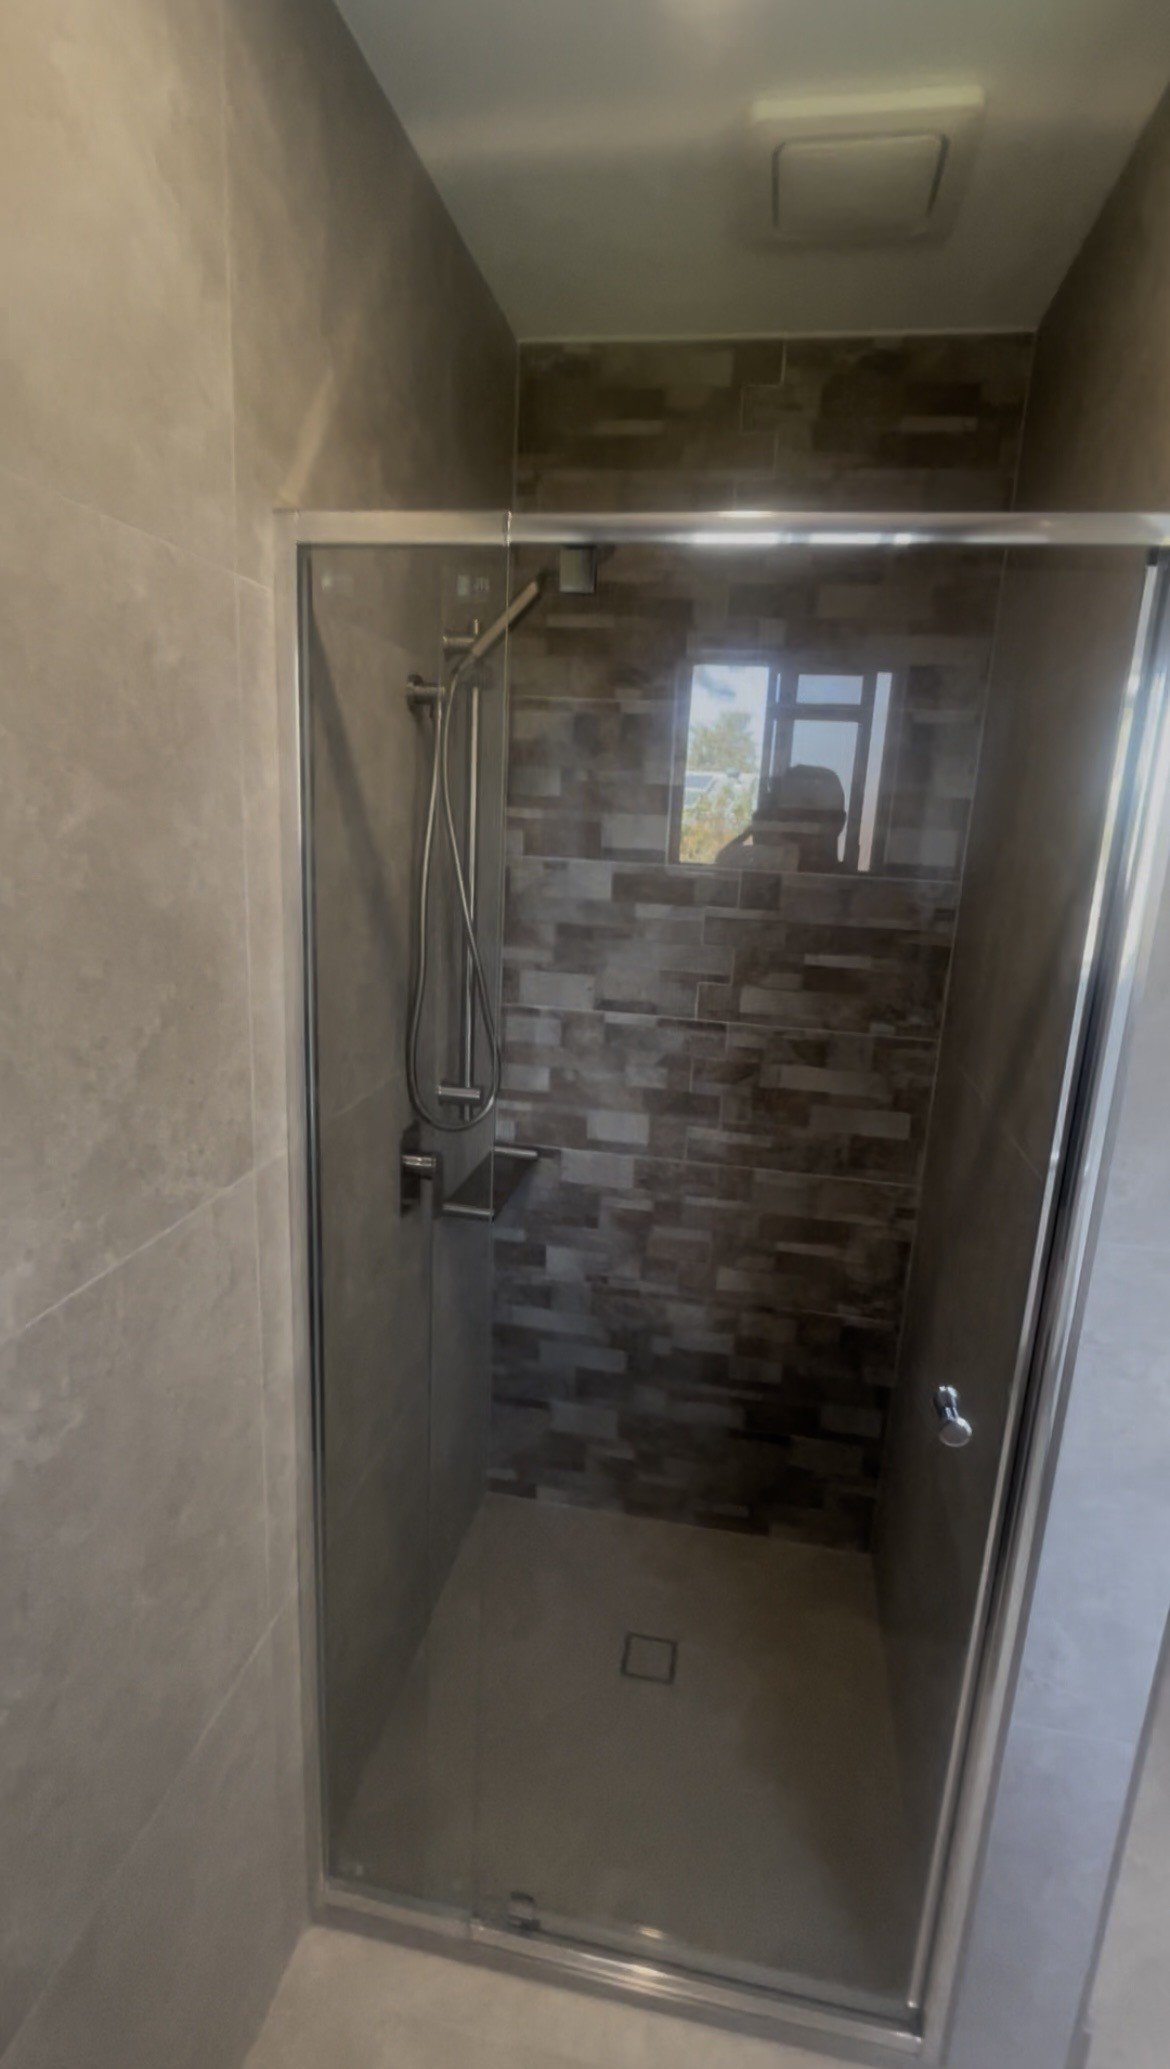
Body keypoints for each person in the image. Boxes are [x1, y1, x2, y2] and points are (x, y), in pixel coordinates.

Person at [715, 763, 847, 871]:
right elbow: (724, 858)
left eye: (805, 816)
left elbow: (724, 858)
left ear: (839, 822)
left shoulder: (784, 860)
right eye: (784, 815)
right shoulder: (777, 861)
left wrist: (755, 831)